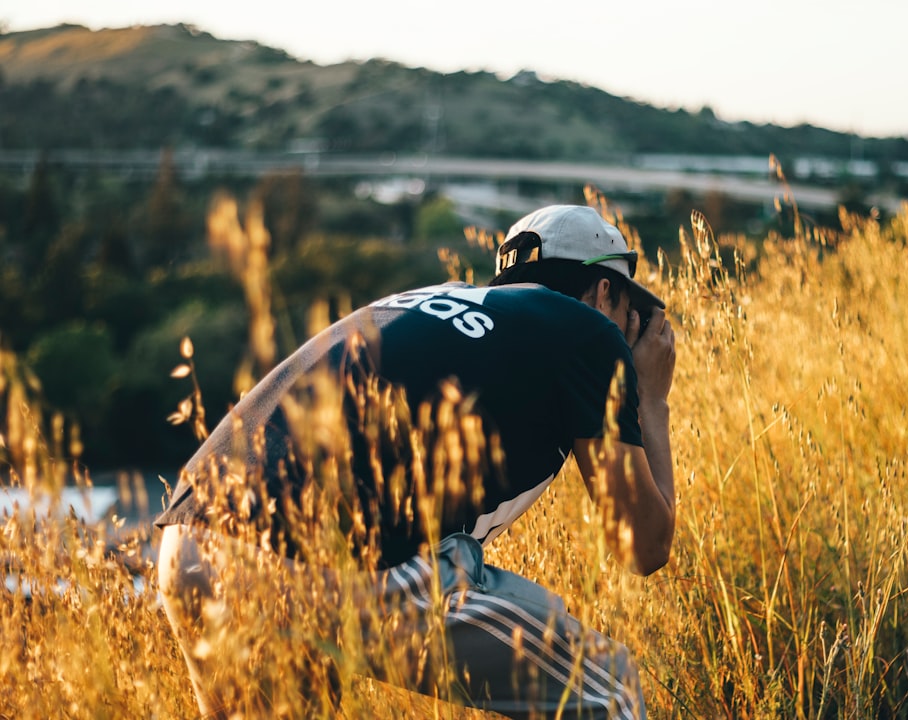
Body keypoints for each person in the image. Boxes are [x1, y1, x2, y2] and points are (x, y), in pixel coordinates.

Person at [155, 204, 677, 719]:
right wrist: (651, 397)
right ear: (604, 290)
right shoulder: (587, 328)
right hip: (316, 559)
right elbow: (644, 546)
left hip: (192, 545)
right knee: (610, 689)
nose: (631, 328)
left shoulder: (427, 303)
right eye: (631, 310)